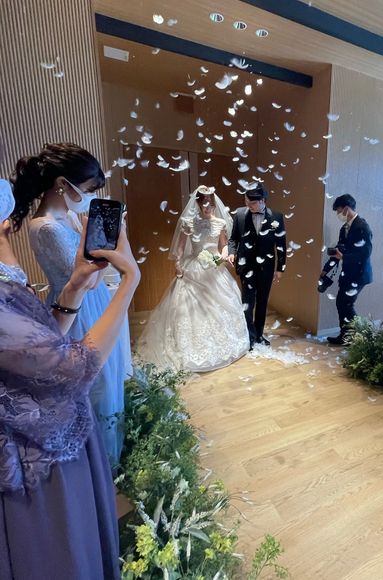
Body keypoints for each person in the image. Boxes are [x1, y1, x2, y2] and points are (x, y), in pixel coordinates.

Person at [1, 195, 140, 578]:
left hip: (50, 436)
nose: (10, 226)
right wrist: (130, 281)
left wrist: (75, 286)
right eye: (4, 227)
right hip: (35, 462)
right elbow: (74, 368)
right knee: (66, 555)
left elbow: (37, 344)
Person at [10, 142, 131, 466]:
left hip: (94, 300)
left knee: (108, 376)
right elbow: (85, 278)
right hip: (76, 310)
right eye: (89, 190)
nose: (91, 196)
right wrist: (112, 251)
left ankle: (111, 452)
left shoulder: (71, 216)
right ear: (63, 184)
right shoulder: (45, 226)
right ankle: (99, 460)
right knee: (93, 384)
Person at [137, 186, 250, 371]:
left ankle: (226, 343)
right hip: (194, 268)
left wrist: (223, 255)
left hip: (215, 268)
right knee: (187, 309)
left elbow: (224, 245)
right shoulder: (188, 222)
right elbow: (180, 248)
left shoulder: (220, 223)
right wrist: (178, 265)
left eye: (210, 204)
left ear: (214, 205)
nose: (208, 207)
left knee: (223, 304)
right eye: (204, 204)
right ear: (197, 203)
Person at [227, 185, 286, 348]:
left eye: (252, 203)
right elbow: (233, 239)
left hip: (266, 268)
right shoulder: (240, 214)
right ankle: (249, 337)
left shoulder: (277, 217)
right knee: (247, 303)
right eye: (246, 202)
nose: (248, 206)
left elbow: (281, 244)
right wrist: (232, 253)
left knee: (262, 302)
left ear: (262, 201)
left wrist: (280, 268)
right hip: (246, 266)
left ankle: (259, 335)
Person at [320, 194, 373, 345]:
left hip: (359, 274)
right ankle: (347, 336)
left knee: (345, 303)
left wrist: (344, 257)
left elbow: (365, 253)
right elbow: (339, 251)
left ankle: (359, 334)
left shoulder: (362, 226)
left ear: (346, 209)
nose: (338, 214)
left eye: (338, 211)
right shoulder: (344, 228)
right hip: (348, 273)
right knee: (342, 303)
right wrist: (326, 270)